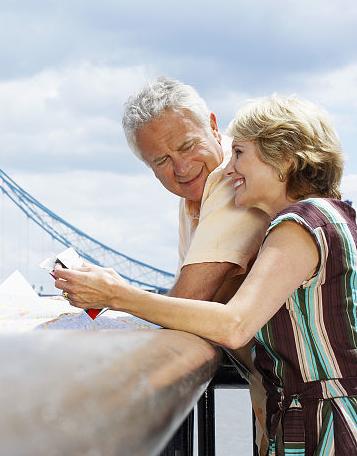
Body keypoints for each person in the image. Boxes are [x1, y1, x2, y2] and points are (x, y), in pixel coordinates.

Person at [55, 95, 356, 455]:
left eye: (239, 153)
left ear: (284, 158)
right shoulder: (332, 217)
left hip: (327, 425)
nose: (229, 170)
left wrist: (118, 294)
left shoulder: (299, 226)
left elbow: (235, 324)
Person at [122, 77, 269, 302]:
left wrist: (116, 294)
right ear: (149, 166)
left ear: (213, 127)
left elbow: (187, 301)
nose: (183, 168)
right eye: (162, 160)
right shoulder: (195, 189)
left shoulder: (234, 178)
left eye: (188, 146)